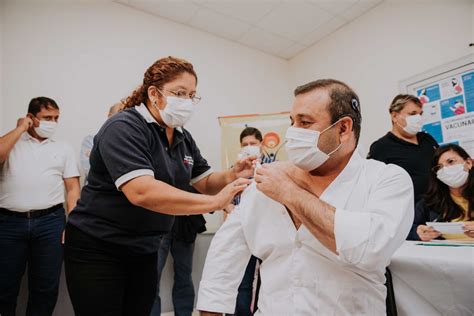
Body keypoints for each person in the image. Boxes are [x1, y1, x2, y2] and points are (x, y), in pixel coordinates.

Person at [197, 79, 414, 315]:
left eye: (305, 122)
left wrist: (289, 193)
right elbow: (226, 255)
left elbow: (371, 248)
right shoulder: (265, 183)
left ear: (343, 129)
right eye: (292, 122)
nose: (292, 133)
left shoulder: (387, 180)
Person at [64, 56, 254, 316]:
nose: (186, 101)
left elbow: (205, 181)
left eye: (192, 95)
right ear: (154, 93)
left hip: (144, 247)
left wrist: (232, 174)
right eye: (179, 93)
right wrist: (215, 203)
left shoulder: (182, 137)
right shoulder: (124, 127)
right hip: (99, 246)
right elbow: (141, 191)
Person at [0, 97, 81, 316]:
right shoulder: (12, 143)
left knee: (45, 288)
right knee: (4, 286)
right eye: (47, 118)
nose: (52, 123)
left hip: (50, 223)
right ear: (31, 118)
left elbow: (73, 189)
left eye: (56, 118)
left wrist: (71, 223)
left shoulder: (63, 148)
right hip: (9, 223)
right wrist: (20, 129)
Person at [368, 94, 439, 203]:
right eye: (413, 114)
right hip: (410, 212)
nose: (418, 118)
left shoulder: (427, 139)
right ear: (395, 116)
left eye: (420, 114)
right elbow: (372, 186)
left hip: (440, 206)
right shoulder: (381, 147)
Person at [150, 186, 207, 316]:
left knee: (184, 274)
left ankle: (184, 313)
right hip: (158, 221)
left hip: (185, 225)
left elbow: (203, 186)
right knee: (152, 276)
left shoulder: (192, 167)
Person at [228, 127, 264, 316]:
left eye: (253, 144)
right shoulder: (236, 169)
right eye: (245, 145)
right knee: (241, 280)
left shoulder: (272, 169)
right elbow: (223, 197)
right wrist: (230, 209)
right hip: (241, 232)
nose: (249, 148)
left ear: (261, 144)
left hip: (264, 232)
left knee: (265, 280)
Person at [409, 144, 473, 241]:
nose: (446, 170)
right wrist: (416, 233)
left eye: (451, 162)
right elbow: (404, 229)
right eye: (439, 167)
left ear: (468, 163)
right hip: (445, 254)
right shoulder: (429, 203)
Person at [80, 102, 124, 181]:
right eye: (120, 113)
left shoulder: (131, 142)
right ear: (109, 116)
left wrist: (97, 155)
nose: (124, 119)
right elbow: (90, 172)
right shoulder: (90, 141)